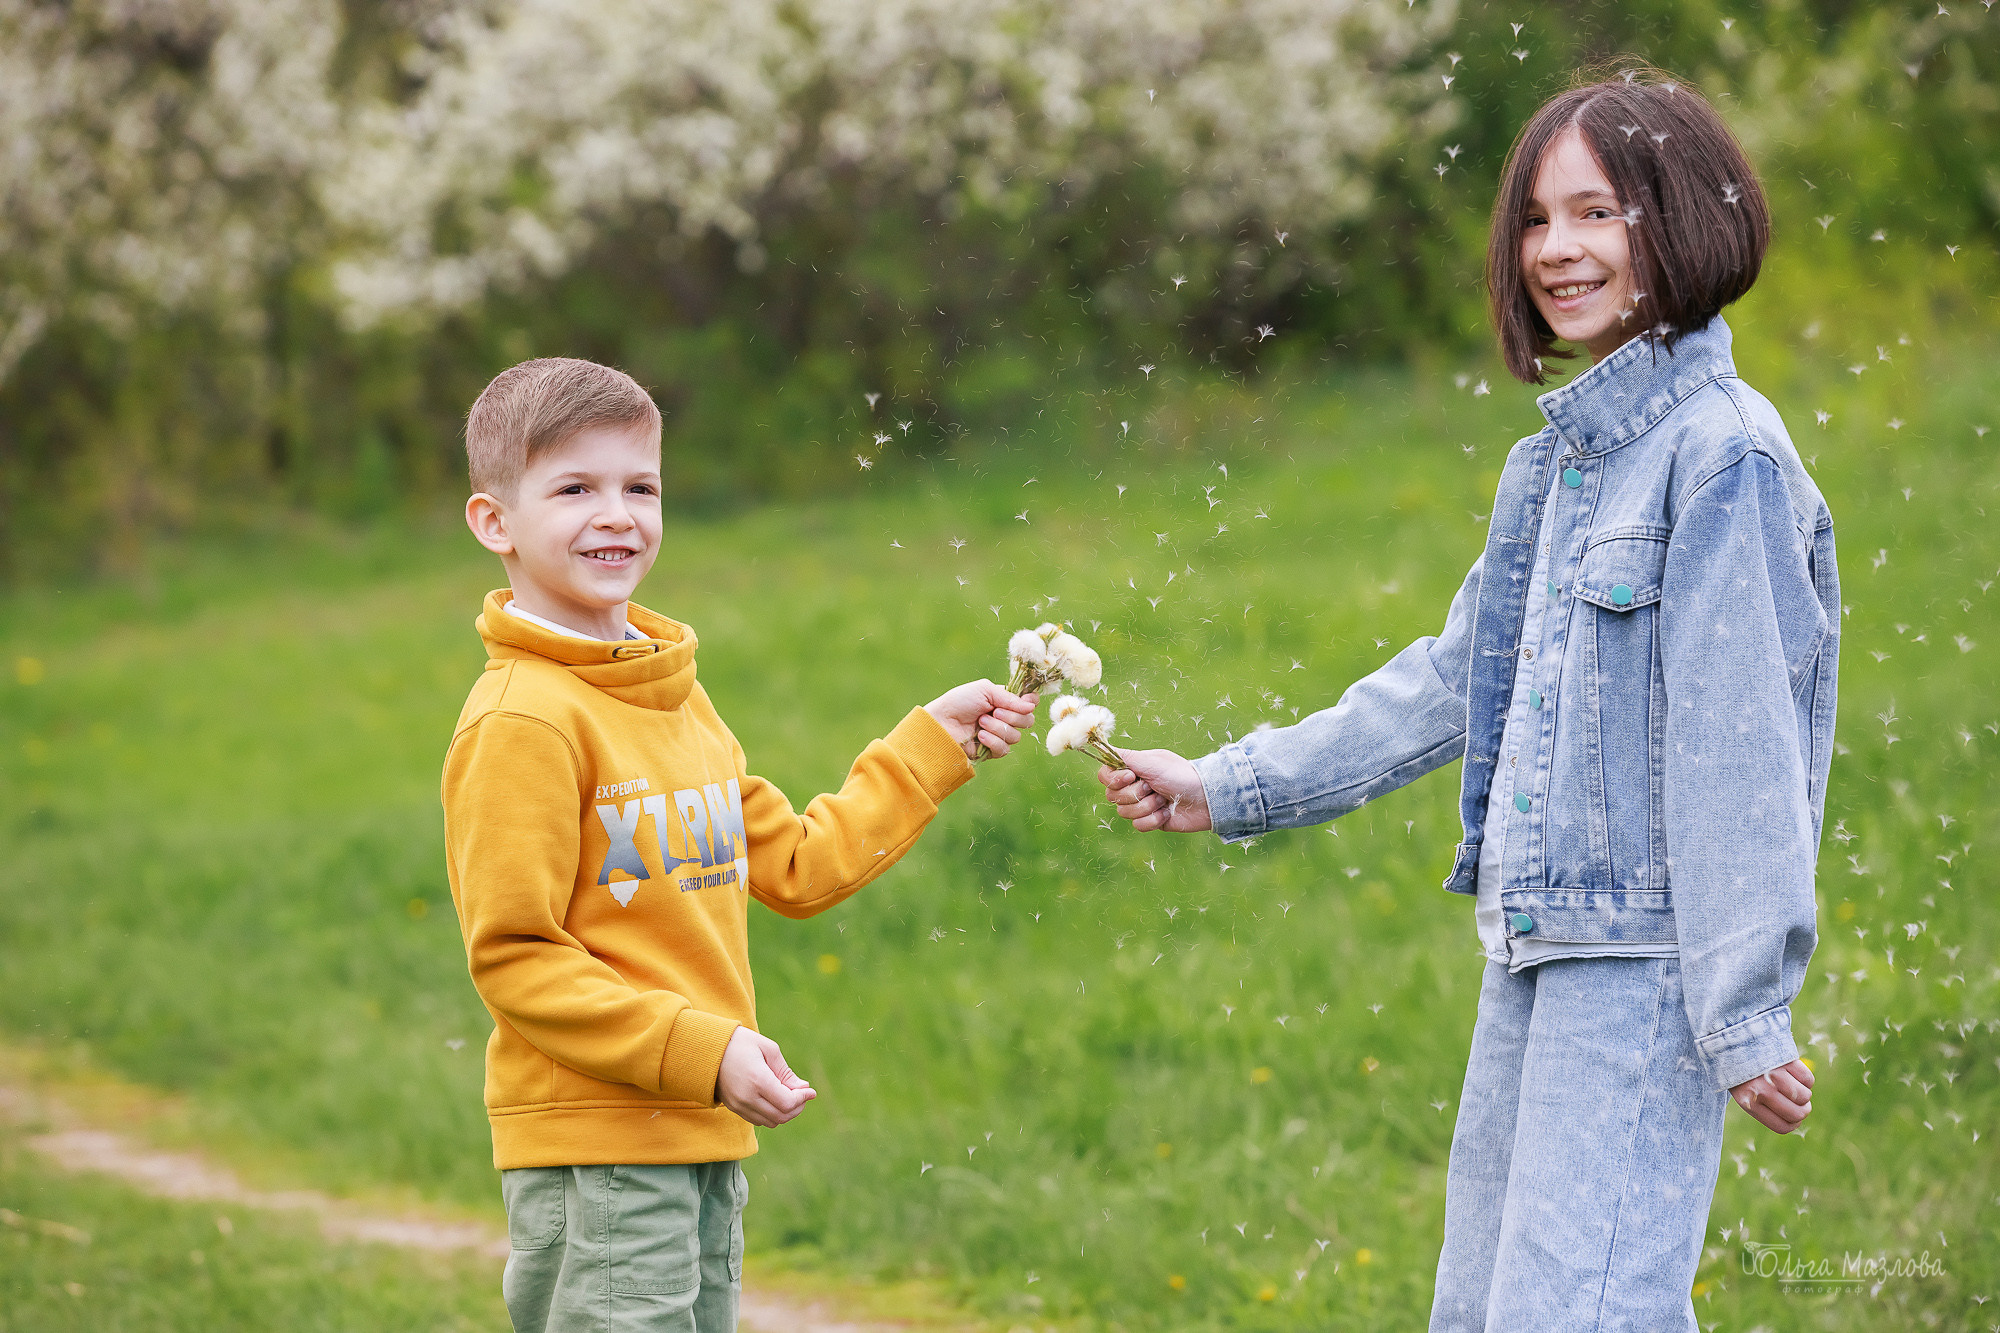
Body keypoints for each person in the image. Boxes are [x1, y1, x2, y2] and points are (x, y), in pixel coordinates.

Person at [1097, 66, 1836, 1331]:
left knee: (1582, 1313)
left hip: (1643, 966)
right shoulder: (1555, 467)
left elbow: (1737, 754)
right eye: (1538, 220)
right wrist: (1229, 784)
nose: (1557, 250)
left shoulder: (1723, 461)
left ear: (1682, 220)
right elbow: (1454, 682)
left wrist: (1743, 1003)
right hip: (1534, 951)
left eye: (1598, 214)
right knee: (1495, 1311)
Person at [441, 356, 1037, 1332]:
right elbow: (516, 957)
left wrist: (931, 742)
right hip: (598, 1147)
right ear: (494, 522)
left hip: (700, 1132)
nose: (616, 514)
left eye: (640, 486)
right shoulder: (523, 721)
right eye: (574, 488)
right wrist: (700, 1048)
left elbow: (797, 864)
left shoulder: (671, 698)